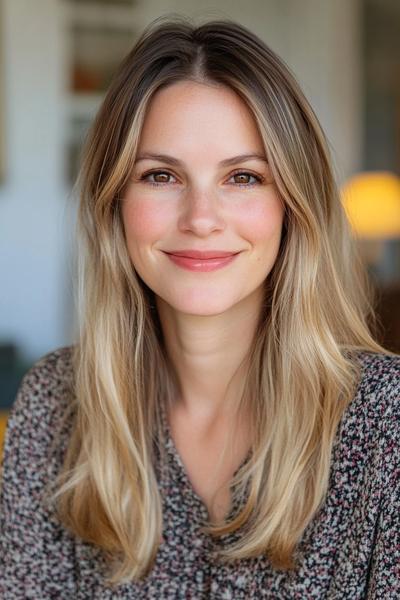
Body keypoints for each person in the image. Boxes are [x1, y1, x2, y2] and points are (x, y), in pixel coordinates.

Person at [1, 16, 399, 599]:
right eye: (160, 175)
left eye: (243, 177)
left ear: (293, 206)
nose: (201, 218)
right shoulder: (53, 409)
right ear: (115, 202)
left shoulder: (388, 424)